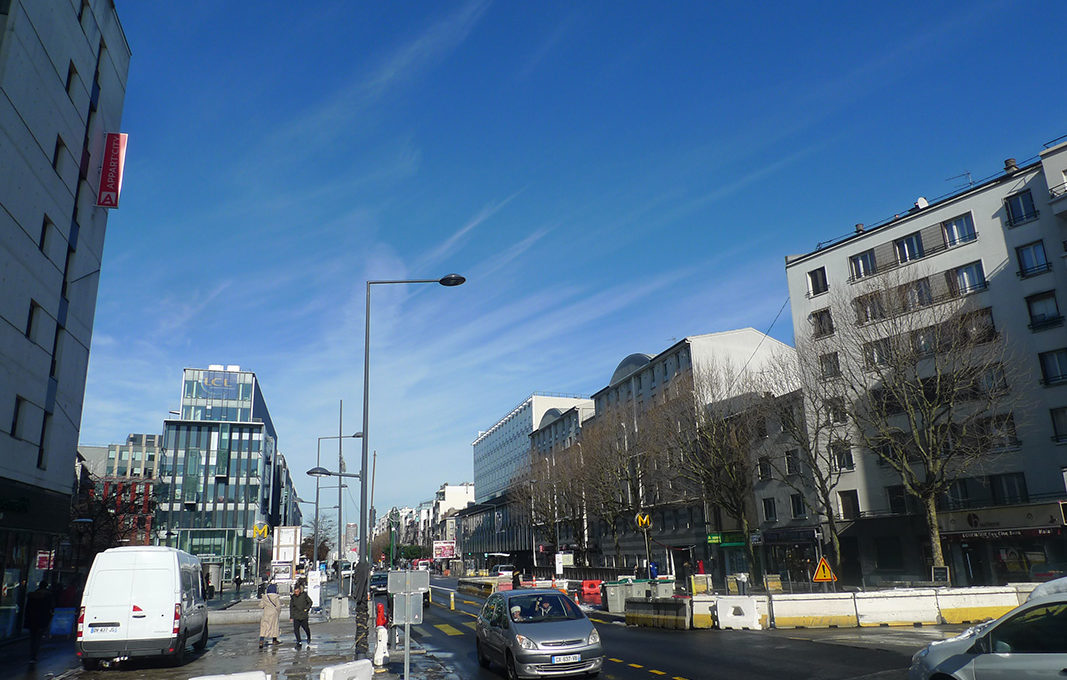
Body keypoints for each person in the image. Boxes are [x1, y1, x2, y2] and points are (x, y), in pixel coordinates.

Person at [24, 581, 54, 663]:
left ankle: (32, 655)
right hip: (41, 620)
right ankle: (34, 656)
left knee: (33, 638)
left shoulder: (32, 596)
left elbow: (27, 609)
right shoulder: (48, 596)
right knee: (38, 638)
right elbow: (50, 609)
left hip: (32, 620)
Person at [290, 583, 313, 647]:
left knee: (306, 628)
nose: (296, 593)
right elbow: (291, 607)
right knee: (296, 629)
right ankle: (299, 641)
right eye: (295, 592)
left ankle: (308, 637)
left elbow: (310, 602)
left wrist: (306, 609)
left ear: (299, 591)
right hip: (296, 615)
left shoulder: (304, 595)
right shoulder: (293, 597)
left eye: (297, 591)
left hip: (303, 615)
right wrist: (291, 616)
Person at [258, 582, 280, 649]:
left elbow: (261, 605)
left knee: (264, 627)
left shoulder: (265, 597)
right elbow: (278, 606)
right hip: (274, 613)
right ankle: (274, 640)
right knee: (274, 626)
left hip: (266, 613)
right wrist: (278, 612)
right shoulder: (276, 597)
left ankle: (261, 640)